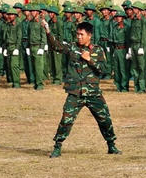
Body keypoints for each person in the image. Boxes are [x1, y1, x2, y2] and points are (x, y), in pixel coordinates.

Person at [44, 20, 120, 157]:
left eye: (81, 34)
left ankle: (111, 145)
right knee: (66, 120)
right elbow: (56, 46)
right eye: (77, 34)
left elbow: (104, 70)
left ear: (89, 35)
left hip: (93, 93)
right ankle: (57, 146)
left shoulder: (97, 50)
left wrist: (90, 59)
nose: (78, 37)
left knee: (105, 119)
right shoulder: (72, 48)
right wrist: (48, 30)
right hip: (75, 92)